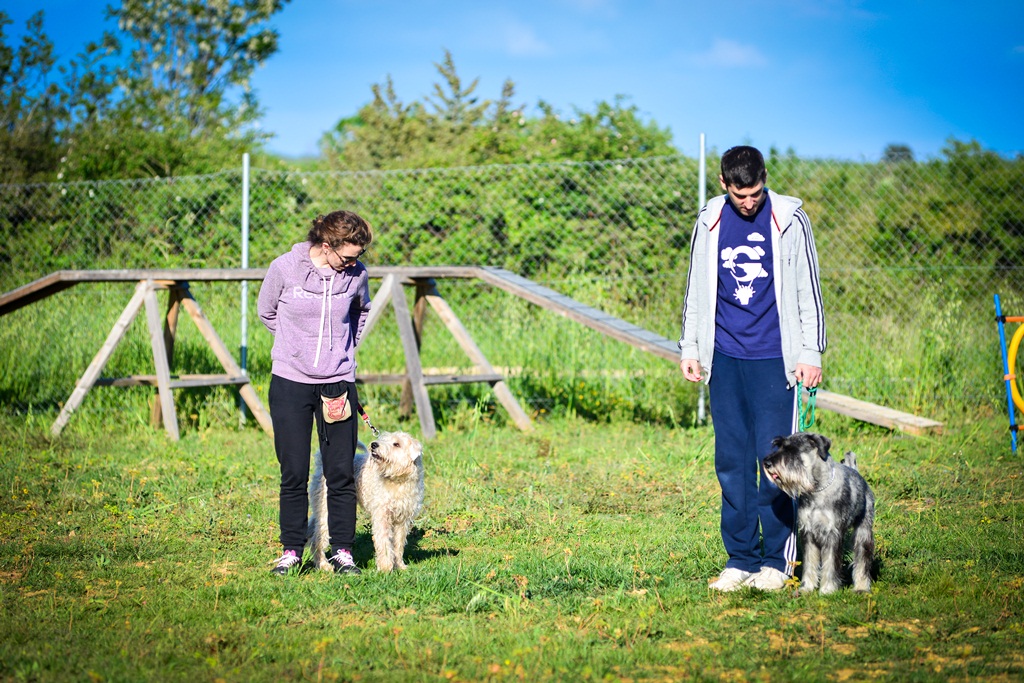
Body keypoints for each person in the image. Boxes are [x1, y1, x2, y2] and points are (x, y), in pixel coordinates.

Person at [677, 145, 826, 591]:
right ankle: (739, 559)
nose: (748, 202)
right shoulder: (708, 221)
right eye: (740, 194)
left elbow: (809, 288)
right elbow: (695, 289)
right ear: (724, 184)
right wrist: (691, 347)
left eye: (755, 193)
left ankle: (776, 564)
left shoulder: (790, 219)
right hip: (724, 358)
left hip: (775, 362)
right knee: (732, 462)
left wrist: (811, 353)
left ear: (765, 179)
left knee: (776, 464)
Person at [258, 210, 374, 576]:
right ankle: (291, 550)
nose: (354, 263)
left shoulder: (356, 276)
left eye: (358, 256)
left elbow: (362, 312)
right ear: (326, 246)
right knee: (293, 470)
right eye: (348, 256)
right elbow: (266, 312)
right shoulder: (285, 268)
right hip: (290, 380)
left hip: (336, 383)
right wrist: (296, 348)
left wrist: (342, 353)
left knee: (339, 471)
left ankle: (342, 551)